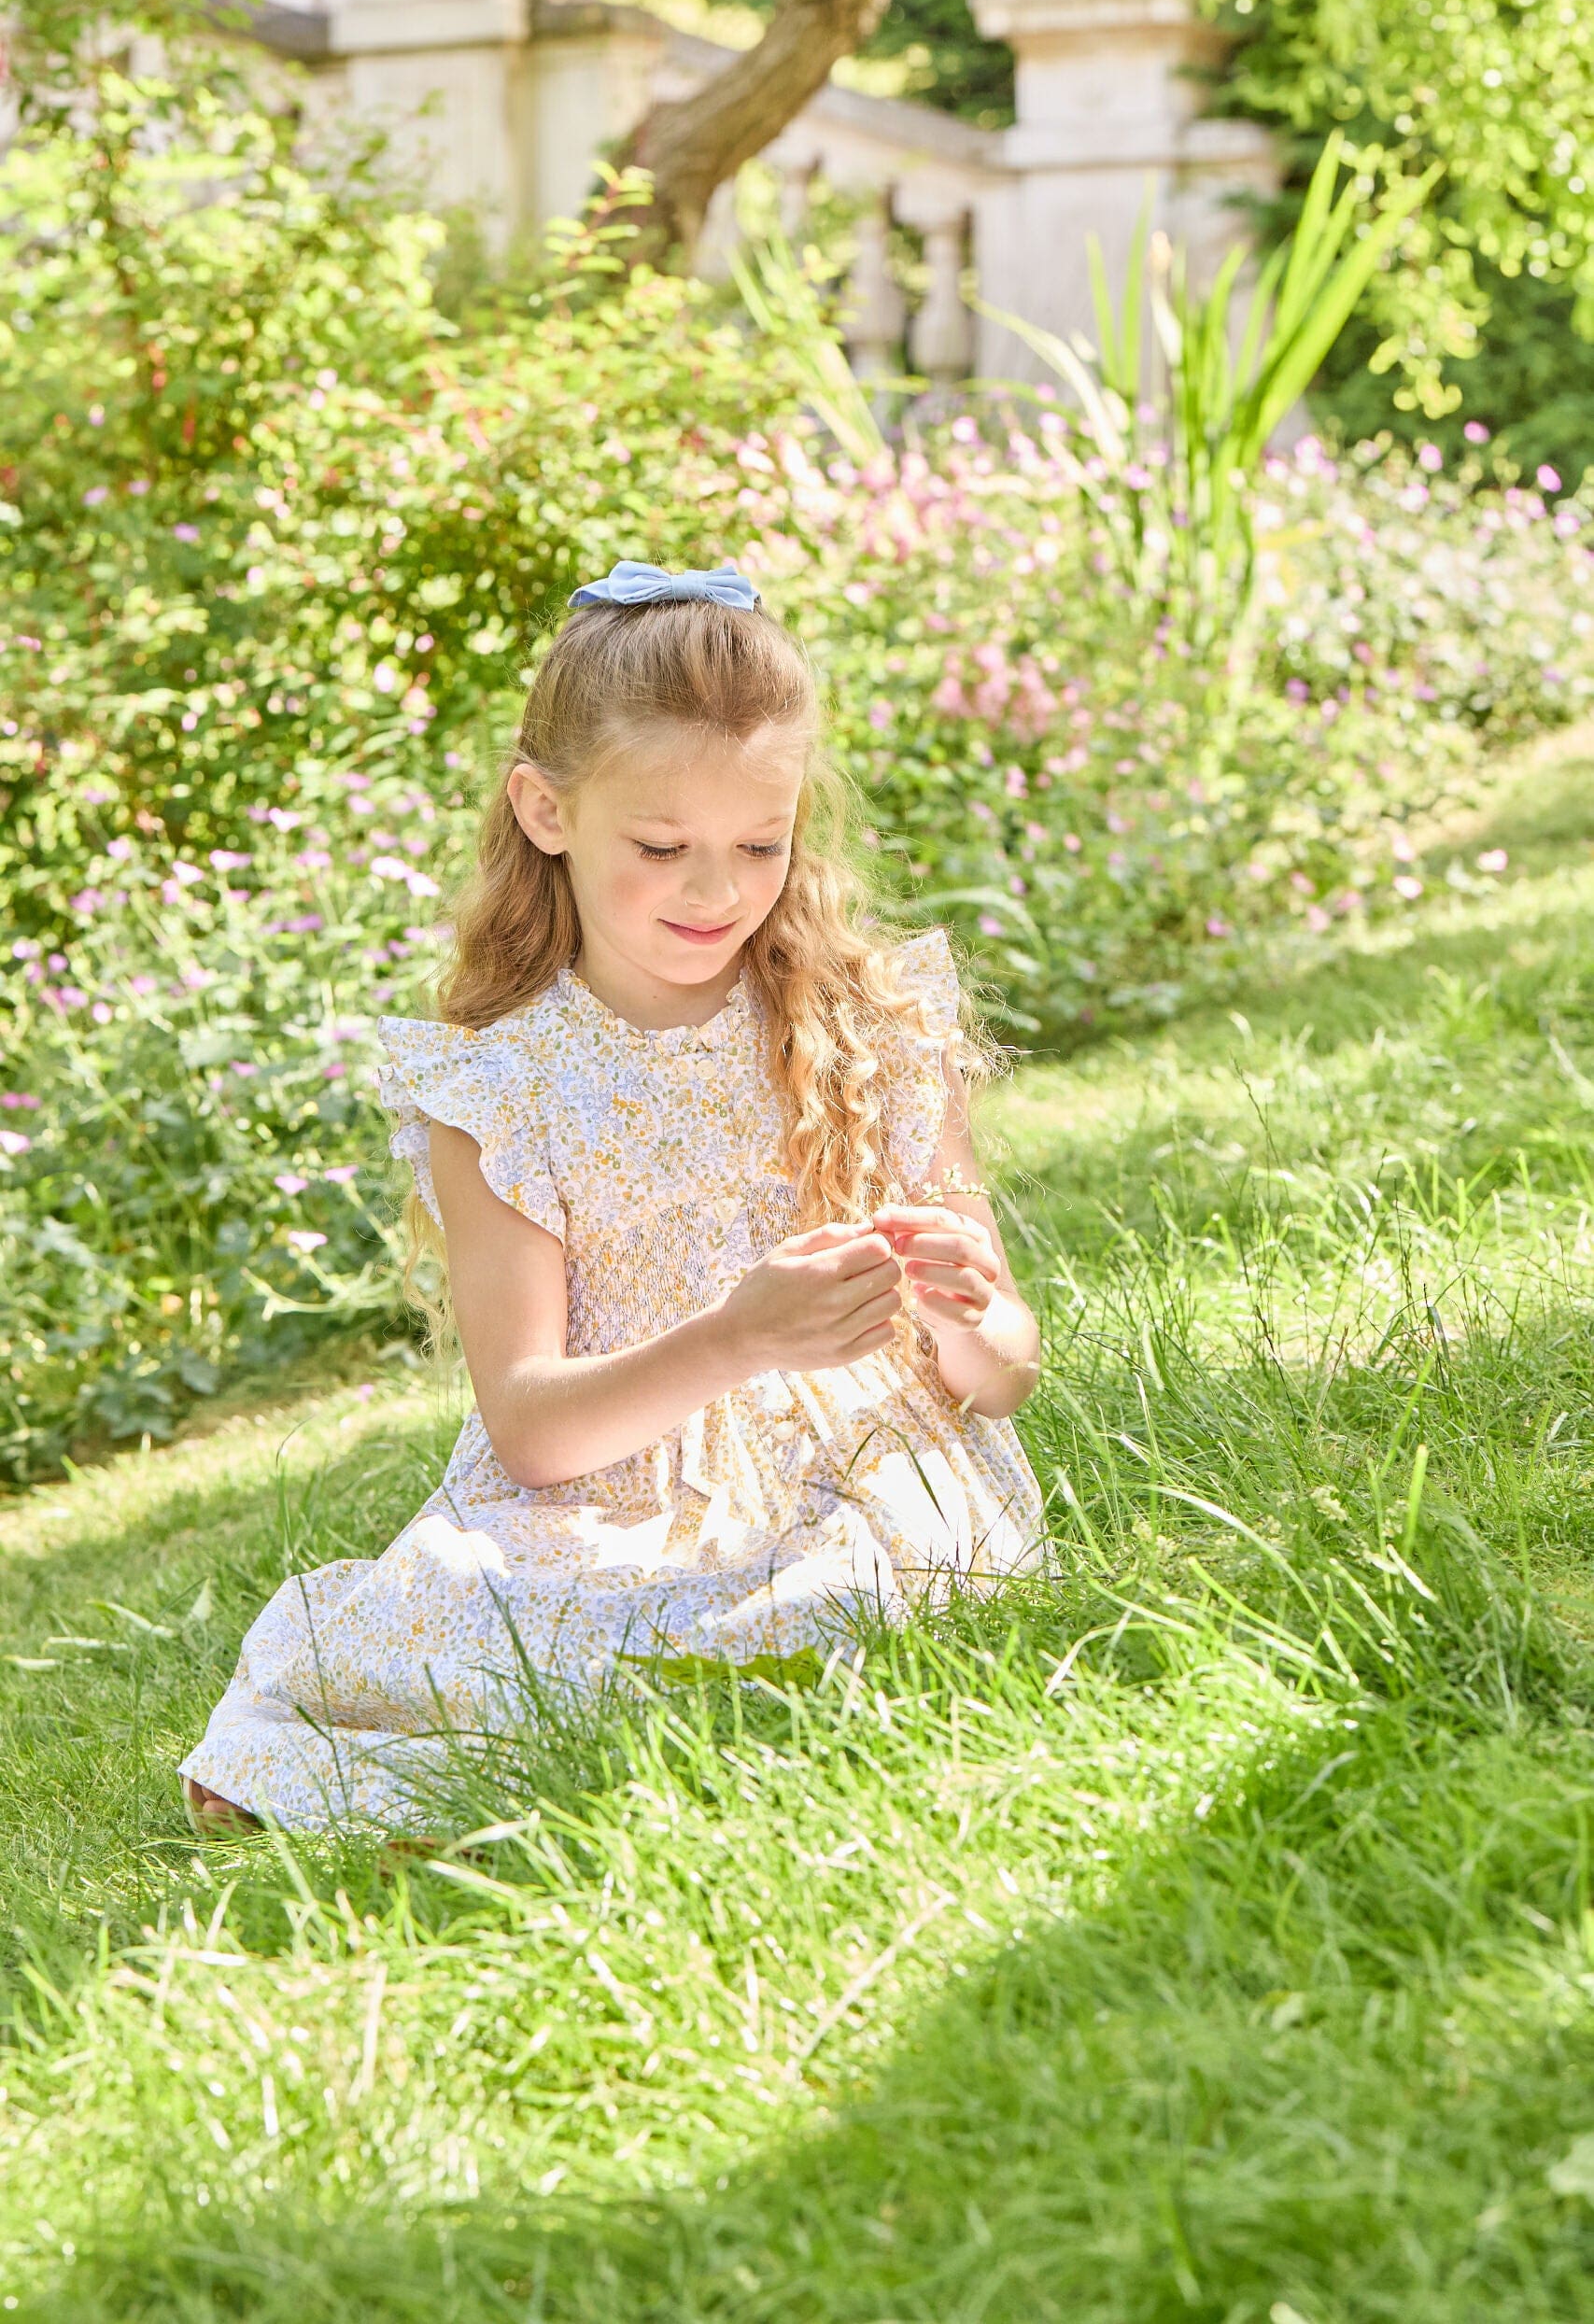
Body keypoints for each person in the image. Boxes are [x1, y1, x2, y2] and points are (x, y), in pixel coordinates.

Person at [179, 560, 1046, 1835]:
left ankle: (712, 1689)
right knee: (483, 1640)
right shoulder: (505, 1091)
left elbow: (1005, 1374)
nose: (716, 891)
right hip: (596, 1497)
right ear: (545, 810)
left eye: (760, 844)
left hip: (853, 1476)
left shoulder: (870, 1029)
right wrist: (738, 1338)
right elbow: (532, 1430)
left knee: (827, 1601)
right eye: (662, 848)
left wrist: (971, 1315)